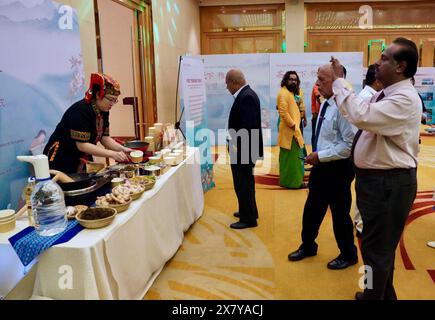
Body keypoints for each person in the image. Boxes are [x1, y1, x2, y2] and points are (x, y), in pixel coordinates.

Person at [331, 37, 421, 300]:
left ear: (400, 66)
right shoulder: (390, 94)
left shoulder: (403, 99)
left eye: (384, 58)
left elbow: (361, 116)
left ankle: (374, 296)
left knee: (376, 250)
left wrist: (339, 81)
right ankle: (381, 295)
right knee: (377, 249)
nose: (377, 63)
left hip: (387, 184)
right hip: (381, 183)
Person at [288, 64, 357, 270]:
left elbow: (348, 145)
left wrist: (321, 155)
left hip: (337, 169)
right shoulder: (327, 103)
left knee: (339, 214)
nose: (317, 83)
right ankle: (308, 245)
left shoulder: (345, 107)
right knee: (312, 210)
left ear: (338, 82)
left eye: (322, 79)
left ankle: (348, 254)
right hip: (322, 166)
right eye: (318, 78)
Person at [44, 73, 132, 173]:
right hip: (61, 157)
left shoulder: (104, 111)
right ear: (99, 95)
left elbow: (104, 138)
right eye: (110, 99)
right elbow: (82, 145)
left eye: (115, 100)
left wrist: (122, 149)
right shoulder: (80, 111)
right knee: (66, 185)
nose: (112, 104)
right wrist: (112, 154)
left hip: (81, 156)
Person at [225, 69, 263, 229]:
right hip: (245, 147)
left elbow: (247, 127)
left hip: (244, 149)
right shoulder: (247, 94)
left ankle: (248, 219)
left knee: (242, 183)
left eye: (227, 84)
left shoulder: (246, 97)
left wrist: (237, 147)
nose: (227, 88)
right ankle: (249, 211)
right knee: (246, 182)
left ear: (234, 82)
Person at [353, 64, 383, 237]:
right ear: (377, 81)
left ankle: (360, 222)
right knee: (365, 191)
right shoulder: (368, 97)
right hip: (367, 151)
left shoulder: (370, 95)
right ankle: (361, 224)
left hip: (366, 150)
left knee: (364, 190)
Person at [277, 71, 306, 189]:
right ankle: (294, 183)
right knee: (292, 159)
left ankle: (290, 181)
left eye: (295, 79)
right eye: (290, 79)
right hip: (290, 132)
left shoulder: (291, 93)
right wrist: (293, 126)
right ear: (285, 80)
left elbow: (299, 108)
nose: (293, 81)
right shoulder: (283, 93)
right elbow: (283, 112)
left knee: (292, 158)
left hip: (294, 131)